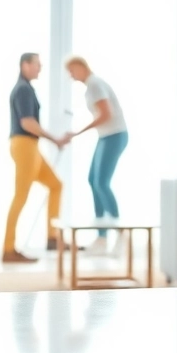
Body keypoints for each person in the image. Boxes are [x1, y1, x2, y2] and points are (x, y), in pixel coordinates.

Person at [4, 53, 73, 262]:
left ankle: (52, 238)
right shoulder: (23, 89)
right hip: (24, 145)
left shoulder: (27, 88)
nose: (40, 68)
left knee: (56, 185)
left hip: (31, 146)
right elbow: (27, 123)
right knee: (21, 196)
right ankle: (8, 249)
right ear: (25, 65)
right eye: (37, 64)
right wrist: (55, 139)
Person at [65, 55, 128, 253]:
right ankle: (101, 238)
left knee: (101, 183)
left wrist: (78, 132)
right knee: (93, 180)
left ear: (81, 66)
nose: (71, 75)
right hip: (106, 136)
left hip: (114, 135)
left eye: (72, 70)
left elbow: (106, 114)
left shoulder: (95, 84)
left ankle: (121, 234)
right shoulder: (91, 87)